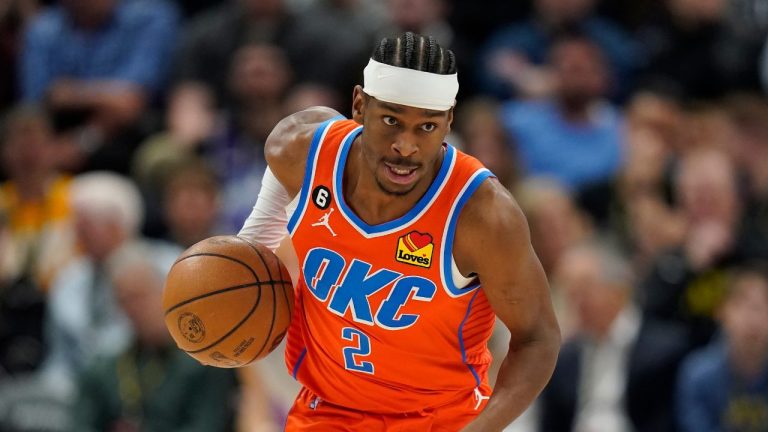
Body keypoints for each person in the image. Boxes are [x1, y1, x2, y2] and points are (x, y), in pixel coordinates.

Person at [237, 32, 561, 431]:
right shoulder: (301, 152)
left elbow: (538, 338)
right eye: (391, 120)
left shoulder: (483, 215)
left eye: (426, 127)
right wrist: (217, 317)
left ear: (449, 122)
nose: (406, 146)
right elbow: (248, 257)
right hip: (325, 411)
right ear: (359, 105)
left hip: (440, 420)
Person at [676, 265, 768, 432]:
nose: (754, 318)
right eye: (742, 304)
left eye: (763, 306)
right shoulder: (698, 373)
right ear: (722, 311)